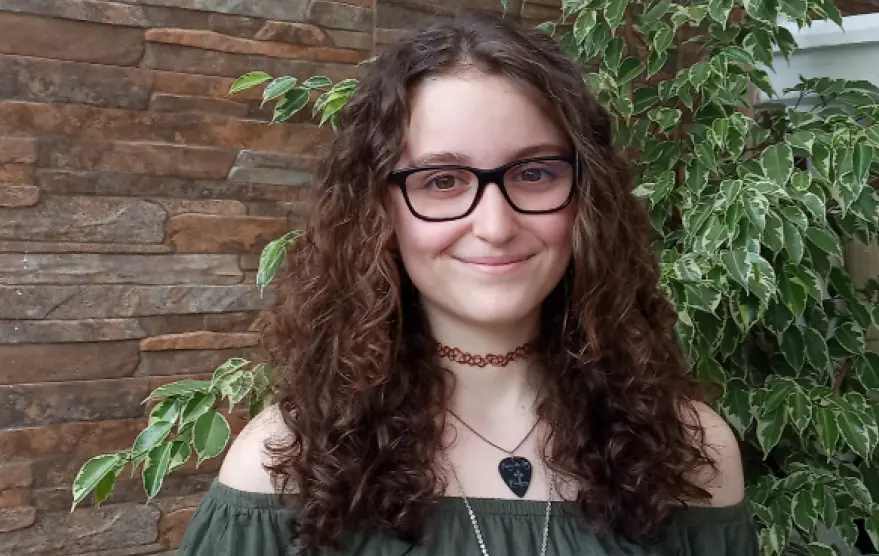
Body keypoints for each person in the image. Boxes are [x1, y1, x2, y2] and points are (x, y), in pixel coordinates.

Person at [179, 11, 757, 556]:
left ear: (588, 198)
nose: (495, 226)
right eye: (442, 181)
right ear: (378, 209)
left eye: (534, 173)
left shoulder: (690, 457)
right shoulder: (285, 463)